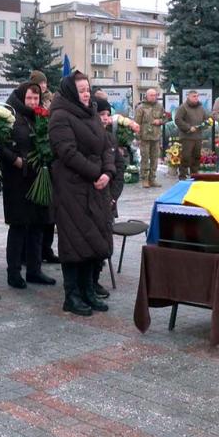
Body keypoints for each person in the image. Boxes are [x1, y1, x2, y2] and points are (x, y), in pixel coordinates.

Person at [49, 71, 115, 317]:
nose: (87, 94)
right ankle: (72, 295)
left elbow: (106, 145)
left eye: (88, 89)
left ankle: (88, 290)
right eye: (82, 90)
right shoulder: (60, 116)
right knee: (74, 240)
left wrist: (107, 172)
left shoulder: (91, 113)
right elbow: (67, 152)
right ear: (71, 92)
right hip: (72, 187)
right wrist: (96, 173)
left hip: (95, 186)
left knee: (93, 238)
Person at [0, 82, 56, 289]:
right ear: (22, 97)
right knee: (19, 226)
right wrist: (15, 159)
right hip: (18, 180)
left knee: (37, 225)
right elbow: (0, 144)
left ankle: (34, 270)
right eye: (29, 98)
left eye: (36, 98)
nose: (33, 102)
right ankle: (13, 272)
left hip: (38, 177)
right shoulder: (11, 116)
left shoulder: (40, 116)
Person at [93, 98, 125, 299]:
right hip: (93, 197)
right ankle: (90, 280)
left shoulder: (111, 139)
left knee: (105, 238)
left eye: (107, 115)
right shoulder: (89, 137)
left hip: (108, 199)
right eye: (101, 115)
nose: (105, 118)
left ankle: (96, 275)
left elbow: (119, 168)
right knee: (93, 239)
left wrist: (113, 196)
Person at [31, 70, 60, 264]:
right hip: (37, 162)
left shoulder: (51, 100)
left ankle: (46, 249)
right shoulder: (30, 100)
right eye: (40, 83)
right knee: (39, 213)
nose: (43, 86)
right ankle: (34, 251)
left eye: (44, 83)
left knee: (51, 212)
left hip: (50, 160)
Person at [174, 90, 210, 179]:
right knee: (186, 157)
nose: (196, 98)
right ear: (188, 97)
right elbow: (178, 120)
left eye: (197, 96)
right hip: (187, 136)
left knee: (197, 156)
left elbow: (206, 119)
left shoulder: (201, 108)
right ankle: (183, 175)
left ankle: (194, 174)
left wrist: (207, 124)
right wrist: (188, 127)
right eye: (194, 96)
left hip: (198, 137)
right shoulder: (183, 107)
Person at [134, 88, 165, 188]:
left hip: (156, 137)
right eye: (151, 95)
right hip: (145, 137)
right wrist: (138, 137)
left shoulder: (159, 106)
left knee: (155, 158)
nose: (153, 97)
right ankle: (145, 179)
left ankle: (152, 179)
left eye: (155, 95)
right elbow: (136, 123)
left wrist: (160, 121)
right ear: (146, 96)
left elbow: (165, 118)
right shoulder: (141, 107)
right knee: (145, 158)